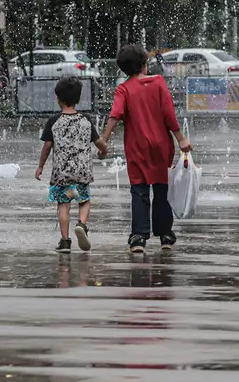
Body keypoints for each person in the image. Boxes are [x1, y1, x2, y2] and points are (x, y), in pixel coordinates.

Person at [102, 44, 193, 254]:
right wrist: (180, 138)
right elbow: (168, 113)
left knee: (139, 190)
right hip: (162, 145)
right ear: (144, 65)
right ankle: (165, 235)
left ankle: (138, 237)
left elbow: (115, 115)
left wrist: (104, 141)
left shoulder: (123, 89)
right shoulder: (158, 82)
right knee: (162, 188)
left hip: (137, 147)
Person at [35, 76, 109, 253]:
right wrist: (103, 152)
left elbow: (47, 146)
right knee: (84, 201)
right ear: (78, 98)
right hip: (82, 172)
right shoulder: (86, 120)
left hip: (62, 174)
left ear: (58, 99)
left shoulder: (54, 121)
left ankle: (65, 241)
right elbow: (99, 142)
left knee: (63, 204)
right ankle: (82, 225)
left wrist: (40, 166)